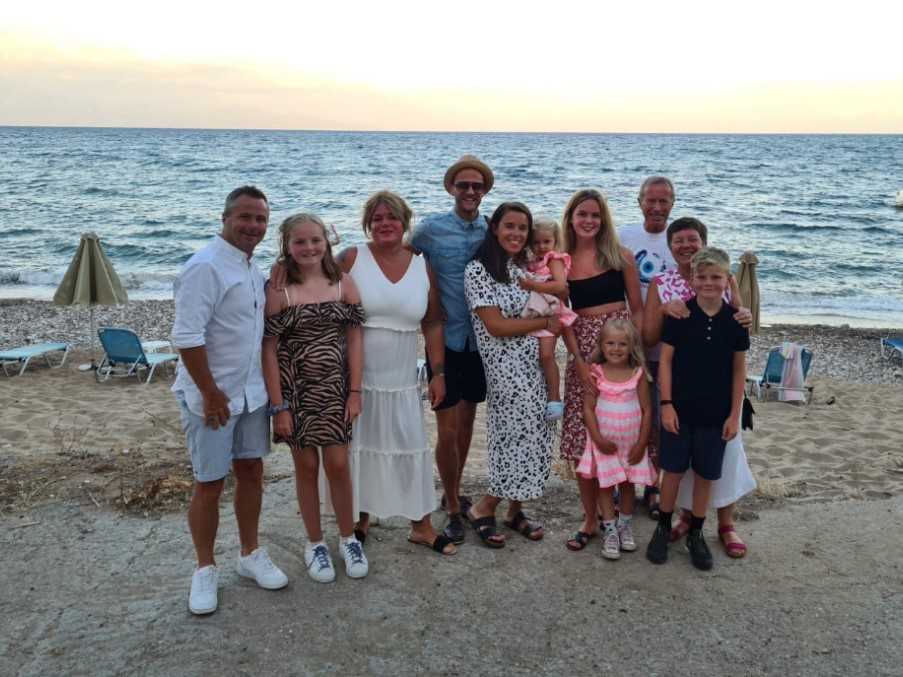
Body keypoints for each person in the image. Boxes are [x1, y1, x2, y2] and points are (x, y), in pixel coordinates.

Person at [172, 185, 288, 616]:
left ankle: (249, 552)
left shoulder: (250, 268)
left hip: (251, 395)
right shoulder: (205, 267)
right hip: (213, 397)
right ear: (224, 218)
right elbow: (186, 337)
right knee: (209, 482)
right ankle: (205, 568)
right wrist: (210, 392)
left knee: (252, 472)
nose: (253, 226)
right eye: (245, 217)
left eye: (260, 219)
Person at [338, 191, 456, 556]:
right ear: (367, 224)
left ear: (405, 222)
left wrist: (438, 373)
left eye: (391, 217)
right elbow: (310, 276)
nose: (384, 223)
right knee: (360, 446)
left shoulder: (423, 264)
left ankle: (419, 525)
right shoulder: (351, 257)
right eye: (376, 218)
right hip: (358, 377)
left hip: (404, 379)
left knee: (409, 446)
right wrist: (280, 268)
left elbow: (433, 322)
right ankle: (360, 518)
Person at [261, 213, 368, 583]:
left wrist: (355, 392)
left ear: (327, 241)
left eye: (315, 240)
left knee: (338, 465)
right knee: (305, 467)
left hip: (335, 388)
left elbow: (355, 339)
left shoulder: (343, 283)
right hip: (295, 391)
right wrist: (278, 405)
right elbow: (269, 349)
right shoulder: (278, 290)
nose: (308, 248)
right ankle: (314, 543)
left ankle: (348, 538)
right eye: (299, 242)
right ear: (286, 246)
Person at [643, 217, 756, 557]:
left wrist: (734, 414)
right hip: (679, 400)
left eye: (693, 240)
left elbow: (739, 364)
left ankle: (710, 527)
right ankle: (669, 524)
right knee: (675, 468)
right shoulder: (674, 303)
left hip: (717, 405)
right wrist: (666, 403)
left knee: (713, 467)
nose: (686, 246)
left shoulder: (732, 310)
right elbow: (658, 350)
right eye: (678, 240)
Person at [463, 202, 559, 548]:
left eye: (523, 228)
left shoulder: (524, 265)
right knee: (512, 434)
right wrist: (545, 323)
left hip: (536, 361)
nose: (516, 234)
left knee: (539, 432)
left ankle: (515, 510)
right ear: (495, 228)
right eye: (510, 226)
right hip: (505, 366)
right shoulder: (478, 270)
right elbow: (496, 325)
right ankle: (482, 507)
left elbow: (556, 292)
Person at [410, 154, 494, 544]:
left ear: (485, 190)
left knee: (467, 424)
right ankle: (454, 508)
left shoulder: (491, 230)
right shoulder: (429, 230)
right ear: (451, 188)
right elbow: (395, 255)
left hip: (482, 341)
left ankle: (453, 488)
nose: (471, 192)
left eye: (478, 186)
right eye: (464, 185)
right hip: (444, 341)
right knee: (446, 428)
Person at [558, 189, 644, 551]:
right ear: (571, 218)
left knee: (620, 428)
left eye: (595, 215)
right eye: (582, 215)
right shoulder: (561, 262)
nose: (589, 221)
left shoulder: (620, 256)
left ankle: (620, 520)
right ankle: (591, 519)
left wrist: (634, 352)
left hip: (620, 347)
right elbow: (562, 315)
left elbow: (636, 309)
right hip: (583, 349)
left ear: (603, 218)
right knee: (583, 434)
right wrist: (577, 358)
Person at [617, 176, 676, 518]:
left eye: (663, 201)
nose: (656, 207)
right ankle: (622, 482)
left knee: (658, 418)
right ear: (639, 202)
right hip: (629, 344)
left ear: (672, 203)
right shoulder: (625, 236)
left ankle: (653, 486)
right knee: (628, 418)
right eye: (650, 201)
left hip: (670, 349)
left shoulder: (681, 238)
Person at [576, 319, 654, 559]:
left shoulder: (637, 373)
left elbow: (647, 410)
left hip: (631, 445)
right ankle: (610, 530)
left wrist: (642, 443)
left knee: (629, 487)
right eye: (610, 343)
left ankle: (624, 527)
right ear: (601, 345)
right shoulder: (595, 373)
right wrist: (597, 438)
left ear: (632, 347)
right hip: (604, 446)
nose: (616, 348)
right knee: (605, 487)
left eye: (622, 344)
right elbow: (588, 409)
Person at [519, 217, 576, 419]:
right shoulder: (530, 261)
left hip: (551, 313)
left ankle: (554, 399)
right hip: (534, 312)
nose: (541, 246)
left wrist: (533, 285)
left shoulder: (554, 259)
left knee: (546, 355)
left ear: (554, 241)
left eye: (546, 242)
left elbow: (560, 285)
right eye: (536, 242)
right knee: (532, 358)